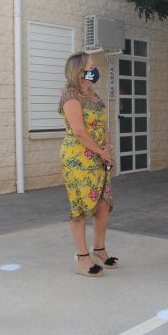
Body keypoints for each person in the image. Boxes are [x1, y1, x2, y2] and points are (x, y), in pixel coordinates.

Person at [59, 52, 117, 277]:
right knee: (81, 205)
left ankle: (99, 249)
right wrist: (101, 151)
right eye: (90, 66)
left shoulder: (94, 96)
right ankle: (82, 257)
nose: (94, 69)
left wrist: (108, 148)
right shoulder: (70, 96)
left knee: (103, 204)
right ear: (79, 70)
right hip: (79, 158)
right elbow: (79, 131)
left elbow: (103, 125)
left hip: (100, 157)